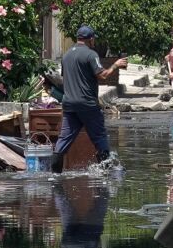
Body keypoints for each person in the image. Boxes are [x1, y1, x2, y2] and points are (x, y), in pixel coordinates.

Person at [53, 26, 128, 172]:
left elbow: (65, 78)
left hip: (69, 104)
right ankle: (106, 174)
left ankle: (54, 175)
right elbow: (103, 75)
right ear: (91, 39)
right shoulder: (91, 54)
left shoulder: (66, 55)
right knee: (99, 137)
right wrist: (115, 65)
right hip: (88, 104)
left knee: (63, 140)